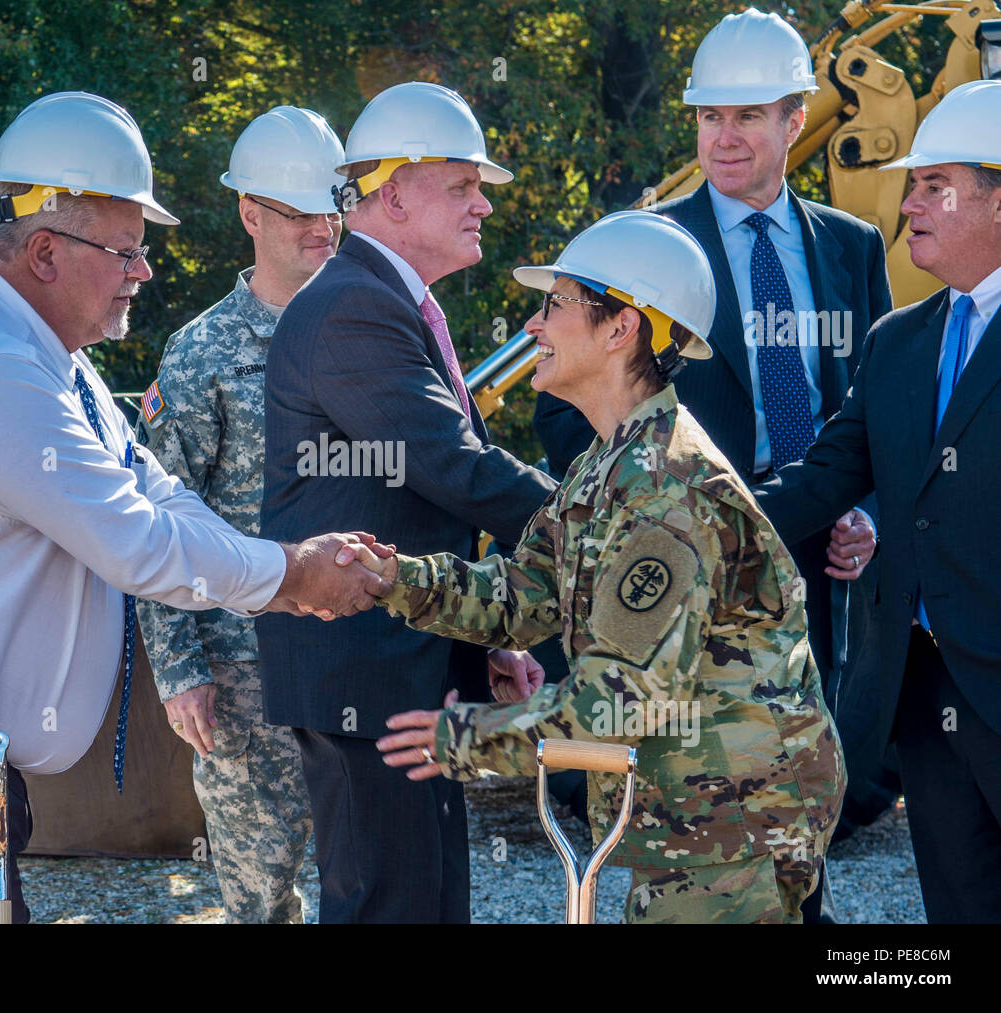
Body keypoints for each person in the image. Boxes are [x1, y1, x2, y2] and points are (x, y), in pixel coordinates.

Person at [0, 91, 392, 924]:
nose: (145, 271)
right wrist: (293, 575)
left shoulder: (43, 356)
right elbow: (133, 541)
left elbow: (158, 490)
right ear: (48, 253)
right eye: (126, 250)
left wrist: (288, 567)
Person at [369, 210, 846, 924]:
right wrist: (391, 577)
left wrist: (462, 739)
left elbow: (613, 704)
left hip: (734, 820)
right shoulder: (608, 463)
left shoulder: (667, 489)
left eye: (555, 304)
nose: (533, 326)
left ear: (623, 327)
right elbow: (520, 594)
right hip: (690, 812)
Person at [534, 8, 895, 903]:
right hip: (688, 568)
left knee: (804, 798)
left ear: (793, 122)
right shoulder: (640, 245)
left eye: (746, 117)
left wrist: (870, 514)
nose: (723, 138)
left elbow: (882, 411)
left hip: (815, 558)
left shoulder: (852, 249)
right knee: (695, 815)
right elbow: (563, 411)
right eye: (708, 118)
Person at [257, 82, 558, 923]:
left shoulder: (382, 300)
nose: (483, 205)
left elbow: (425, 499)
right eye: (462, 185)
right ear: (392, 192)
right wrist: (612, 520)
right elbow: (453, 467)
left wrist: (484, 640)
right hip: (364, 671)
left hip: (399, 662)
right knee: (390, 907)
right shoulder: (354, 304)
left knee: (425, 903)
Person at [753, 80, 1001, 923]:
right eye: (912, 183)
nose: (910, 203)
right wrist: (680, 517)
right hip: (926, 693)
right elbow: (822, 480)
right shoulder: (900, 340)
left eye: (937, 186)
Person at [135, 106, 345, 923]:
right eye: (299, 213)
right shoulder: (201, 353)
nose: (323, 228)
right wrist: (180, 670)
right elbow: (156, 520)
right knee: (260, 897)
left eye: (334, 208)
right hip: (241, 669)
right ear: (250, 213)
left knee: (360, 880)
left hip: (349, 652)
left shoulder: (364, 333)